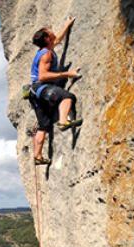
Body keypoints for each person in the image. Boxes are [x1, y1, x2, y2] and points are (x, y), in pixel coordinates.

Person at [29, 17, 82, 165]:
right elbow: (43, 75)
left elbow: (57, 39)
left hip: (35, 93)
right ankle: (63, 121)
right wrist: (67, 74)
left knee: (43, 126)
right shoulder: (46, 54)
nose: (52, 31)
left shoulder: (46, 49)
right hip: (41, 88)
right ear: (46, 38)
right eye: (49, 31)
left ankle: (38, 157)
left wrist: (67, 24)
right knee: (67, 97)